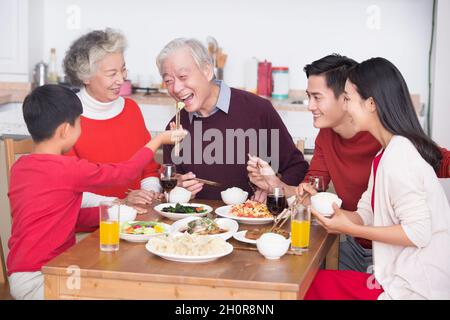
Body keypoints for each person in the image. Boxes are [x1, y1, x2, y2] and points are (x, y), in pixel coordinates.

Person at [247, 54, 450, 273]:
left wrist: (350, 226)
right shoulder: (364, 146)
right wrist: (275, 185)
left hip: (400, 256)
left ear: (347, 99)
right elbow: (311, 193)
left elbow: (418, 229)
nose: (310, 106)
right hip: (357, 244)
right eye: (308, 97)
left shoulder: (394, 147)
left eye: (317, 97)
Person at [7, 85, 185, 300]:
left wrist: (117, 210)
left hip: (21, 273)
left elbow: (59, 216)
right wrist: (157, 141)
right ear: (65, 129)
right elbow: (122, 173)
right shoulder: (67, 169)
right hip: (45, 277)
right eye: (79, 122)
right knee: (118, 290)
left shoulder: (21, 167)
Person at [305, 57, 450, 300]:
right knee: (311, 283)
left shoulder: (400, 153)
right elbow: (365, 214)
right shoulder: (385, 153)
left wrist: (348, 227)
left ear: (370, 103)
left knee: (309, 287)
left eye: (349, 99)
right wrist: (339, 217)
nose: (347, 107)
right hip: (397, 276)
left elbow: (418, 233)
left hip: (415, 287)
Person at [158, 38, 309, 200]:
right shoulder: (175, 127)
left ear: (207, 71)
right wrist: (177, 189)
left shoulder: (257, 110)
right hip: (197, 223)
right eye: (168, 81)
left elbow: (297, 167)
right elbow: (169, 187)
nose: (176, 88)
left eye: (182, 76)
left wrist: (274, 190)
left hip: (253, 221)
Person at [63, 28, 162, 213]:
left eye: (123, 69)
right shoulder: (68, 120)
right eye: (111, 73)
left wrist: (148, 195)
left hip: (135, 220)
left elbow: (148, 170)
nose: (121, 79)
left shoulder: (131, 110)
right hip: (91, 227)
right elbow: (70, 191)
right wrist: (121, 202)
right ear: (85, 77)